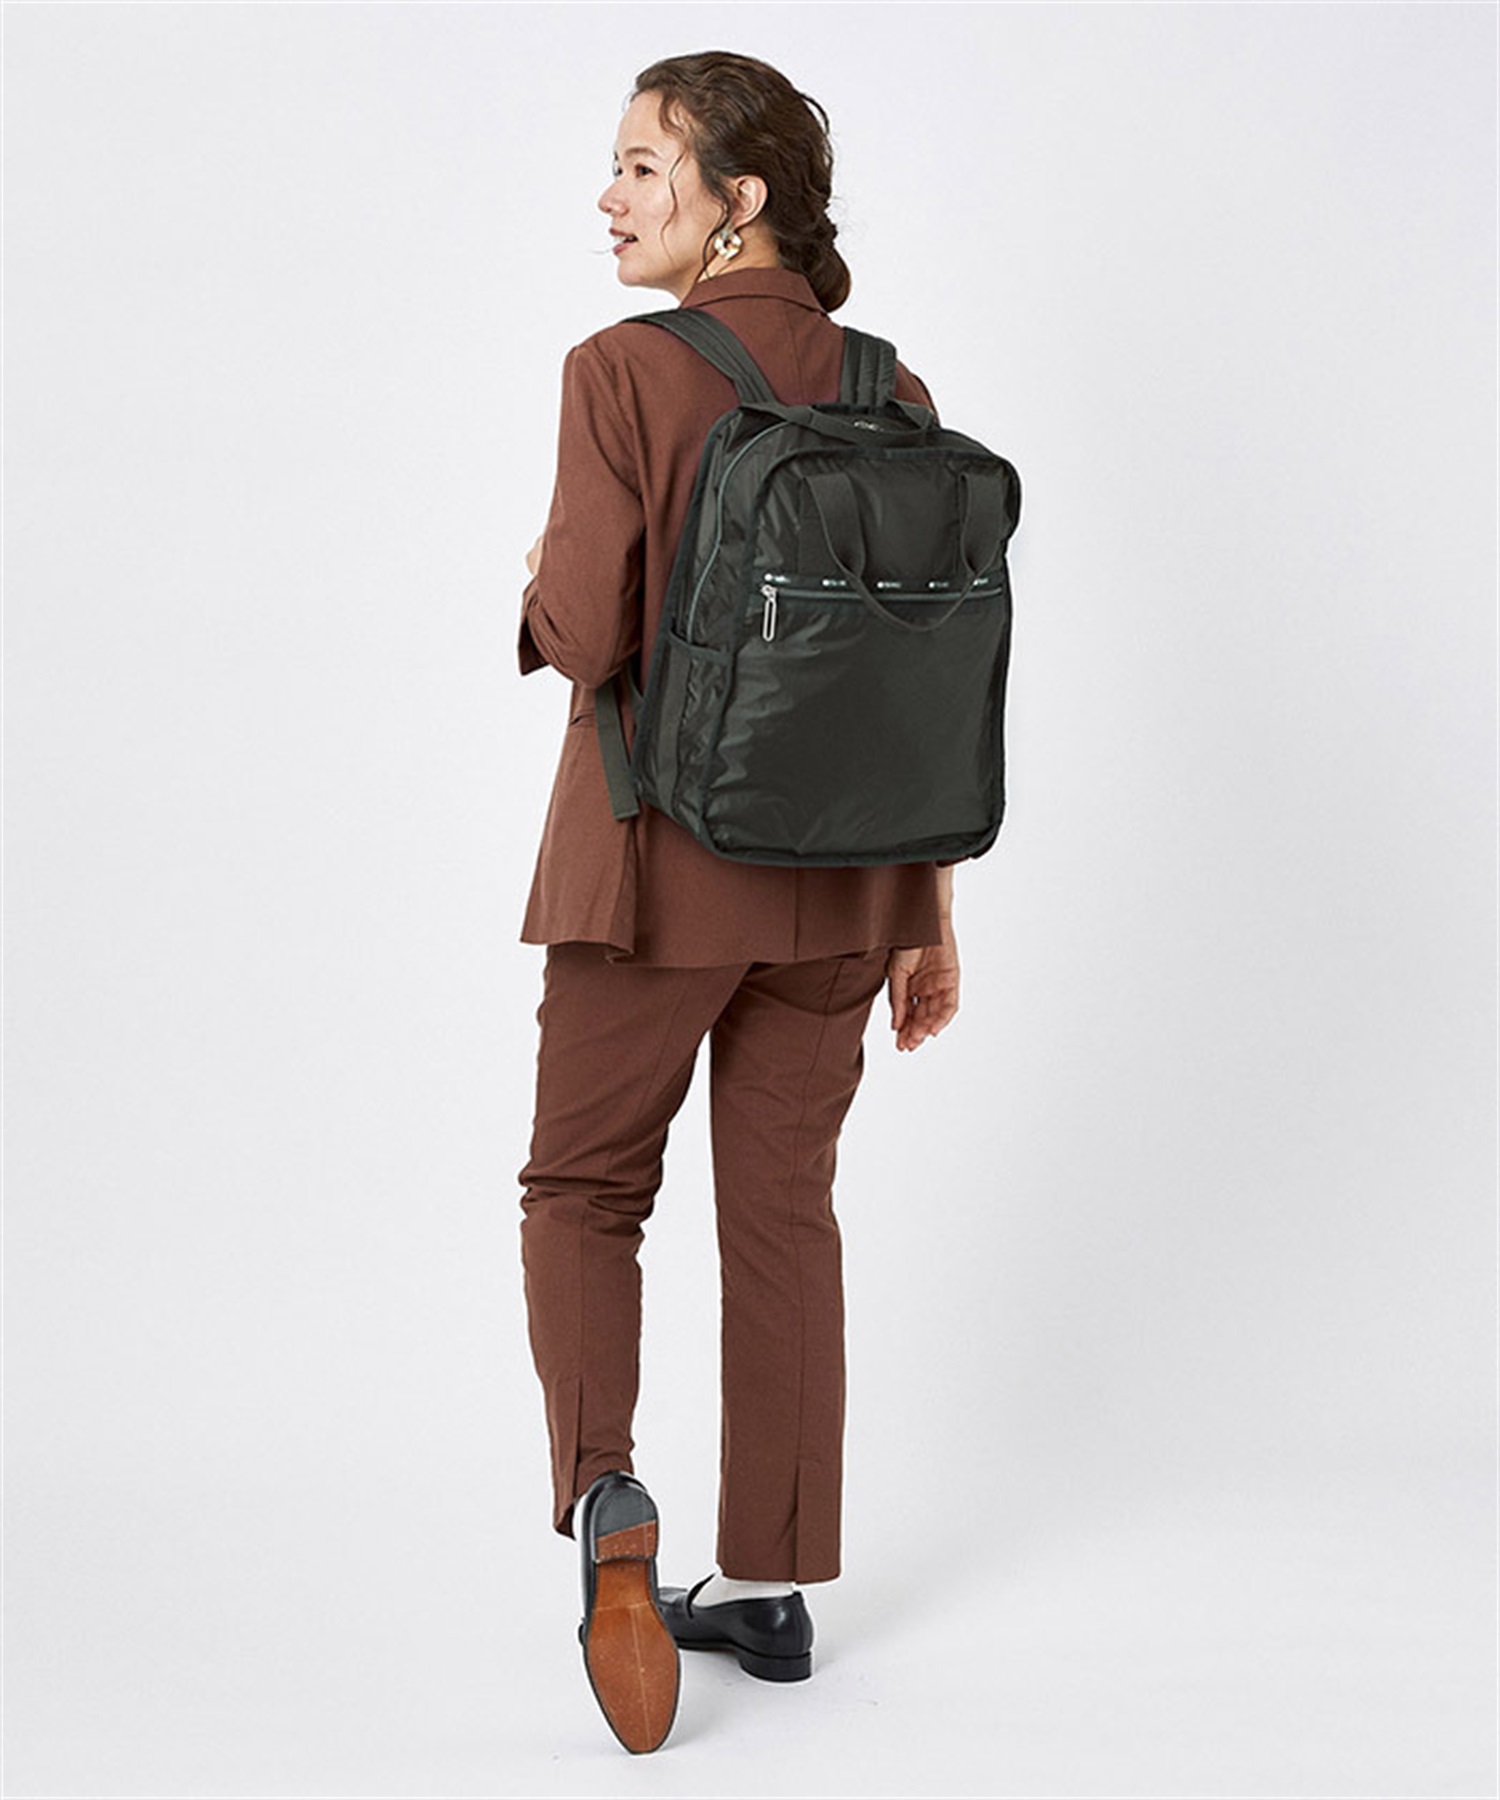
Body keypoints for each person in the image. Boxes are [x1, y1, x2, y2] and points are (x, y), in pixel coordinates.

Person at [516, 50, 961, 1755]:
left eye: (644, 165)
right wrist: (925, 909)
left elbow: (590, 628)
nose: (612, 195)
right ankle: (768, 1585)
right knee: (783, 1214)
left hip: (652, 872)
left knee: (583, 1190)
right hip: (847, 887)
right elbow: (914, 684)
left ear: (736, 200)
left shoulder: (621, 372)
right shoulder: (891, 384)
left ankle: (606, 1497)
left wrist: (535, 586)